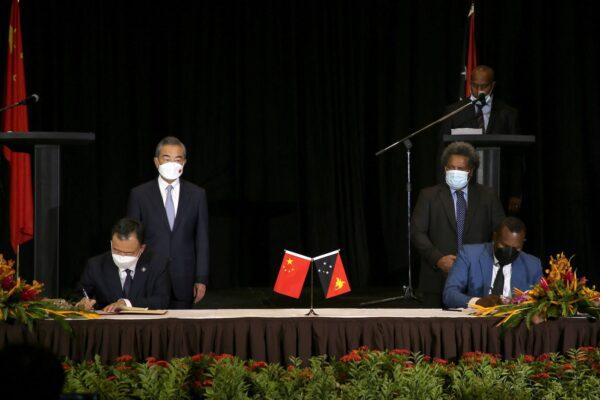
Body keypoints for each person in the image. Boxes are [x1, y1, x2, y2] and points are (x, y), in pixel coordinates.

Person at [412, 141, 505, 307]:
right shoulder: (428, 196)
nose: (455, 172)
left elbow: (500, 233)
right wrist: (438, 259)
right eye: (451, 167)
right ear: (445, 169)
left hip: (477, 280)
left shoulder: (488, 196)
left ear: (471, 171)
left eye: (460, 169)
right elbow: (417, 233)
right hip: (436, 280)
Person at [127, 136, 209, 308]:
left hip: (184, 279)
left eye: (177, 159)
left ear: (184, 163)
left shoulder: (197, 195)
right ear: (156, 162)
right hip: (149, 277)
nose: (173, 163)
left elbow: (202, 239)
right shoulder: (140, 194)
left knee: (182, 331)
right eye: (167, 158)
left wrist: (201, 278)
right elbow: (132, 239)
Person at [440, 65, 523, 215]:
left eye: (484, 86)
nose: (479, 91)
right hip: (463, 186)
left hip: (498, 186)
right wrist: (444, 189)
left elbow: (515, 157)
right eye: (474, 85)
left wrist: (515, 192)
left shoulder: (508, 114)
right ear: (469, 84)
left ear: (493, 85)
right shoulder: (453, 113)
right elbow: (443, 153)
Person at [443, 217, 542, 309]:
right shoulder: (470, 255)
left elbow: (541, 302)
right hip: (478, 322)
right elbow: (449, 294)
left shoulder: (532, 265)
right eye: (504, 246)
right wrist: (478, 302)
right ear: (494, 237)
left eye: (516, 248)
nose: (510, 252)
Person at [77, 218, 171, 311]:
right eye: (116, 250)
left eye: (128, 253)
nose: (122, 256)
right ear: (111, 244)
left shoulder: (157, 264)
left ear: (142, 249)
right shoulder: (96, 266)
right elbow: (79, 294)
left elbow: (161, 300)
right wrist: (82, 302)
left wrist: (126, 303)